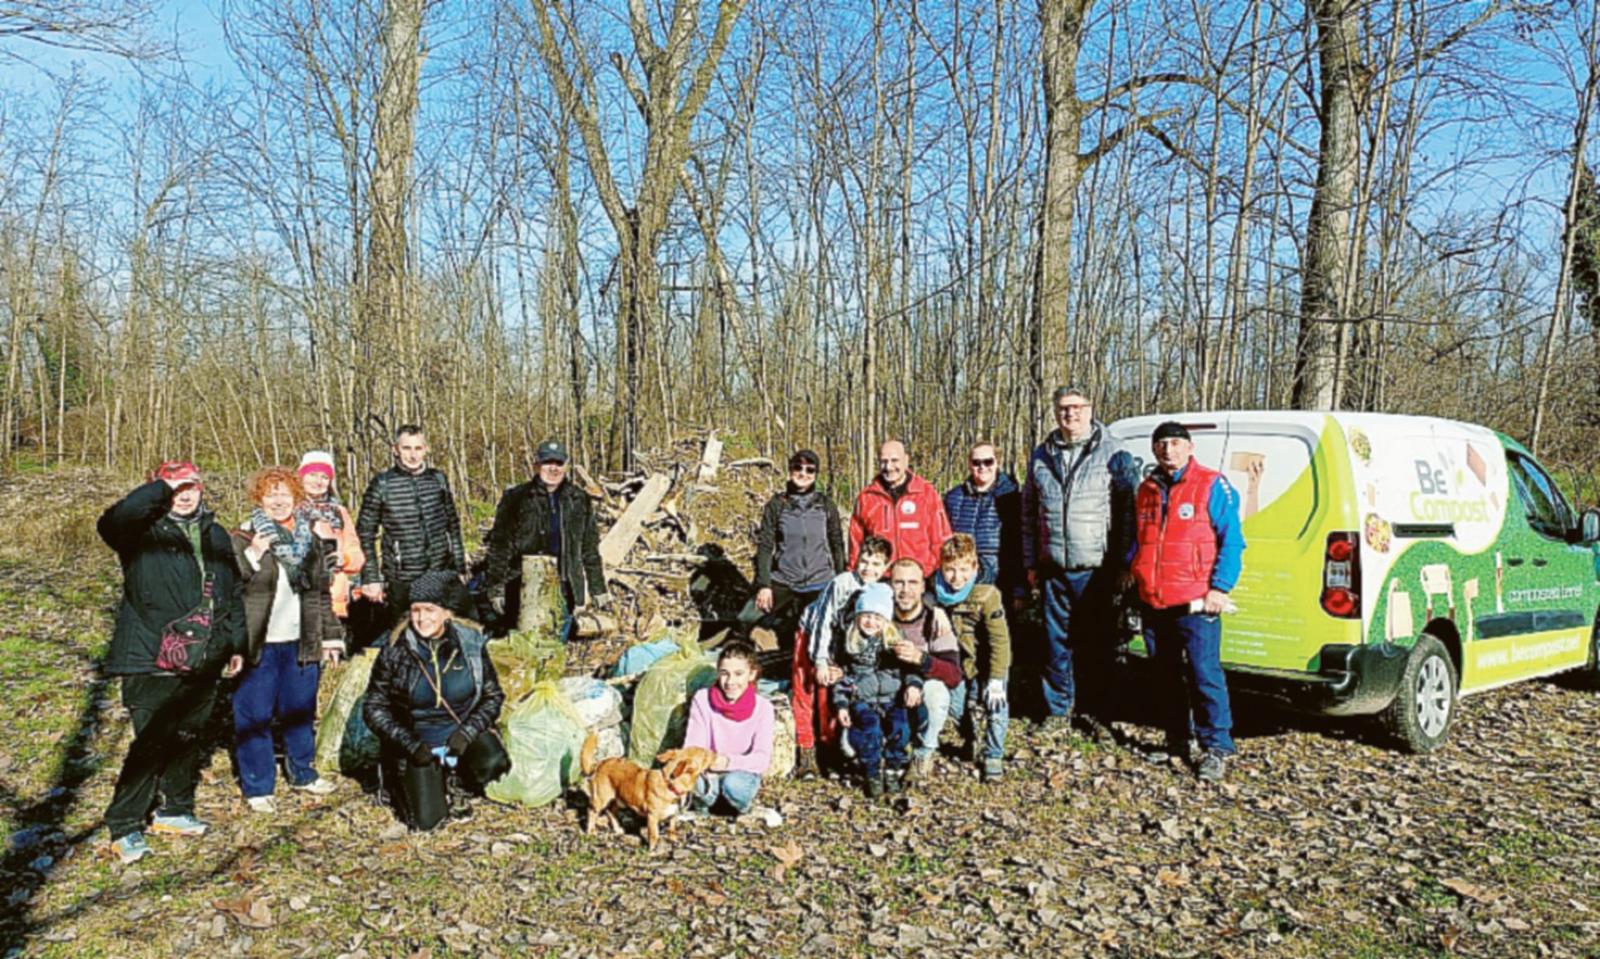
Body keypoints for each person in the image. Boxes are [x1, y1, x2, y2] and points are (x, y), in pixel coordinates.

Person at [96, 462, 245, 864]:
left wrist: (235, 644)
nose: (185, 493)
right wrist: (161, 488)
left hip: (205, 656)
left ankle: (175, 810)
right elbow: (112, 521)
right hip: (149, 655)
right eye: (176, 487)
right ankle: (125, 824)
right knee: (151, 742)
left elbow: (230, 595)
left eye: (191, 485)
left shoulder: (215, 533)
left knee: (187, 736)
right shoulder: (141, 533)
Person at [1130, 421, 1246, 782]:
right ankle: (1177, 740)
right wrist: (1132, 574)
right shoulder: (1146, 489)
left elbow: (1233, 542)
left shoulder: (1212, 484)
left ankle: (1217, 746)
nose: (1169, 450)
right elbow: (1141, 540)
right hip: (1154, 599)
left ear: (1190, 447)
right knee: (1165, 677)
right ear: (1154, 450)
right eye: (1162, 444)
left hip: (1197, 602)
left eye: (1176, 443)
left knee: (1204, 674)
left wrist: (1220, 588)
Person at [1022, 386, 1138, 730]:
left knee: (1097, 645)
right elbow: (1029, 512)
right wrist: (1031, 562)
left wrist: (1124, 563)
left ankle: (1096, 712)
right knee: (1055, 646)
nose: (1069, 414)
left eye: (1076, 407)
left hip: (1097, 569)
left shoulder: (1114, 452)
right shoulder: (1041, 455)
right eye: (1062, 408)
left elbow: (1128, 513)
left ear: (1090, 409)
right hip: (1053, 567)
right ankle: (1058, 711)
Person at [231, 467, 343, 814]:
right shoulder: (242, 536)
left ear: (296, 498)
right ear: (258, 500)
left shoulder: (310, 538)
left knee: (300, 711)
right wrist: (253, 558)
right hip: (259, 643)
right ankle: (258, 785)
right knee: (254, 715)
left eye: (284, 494)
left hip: (301, 639)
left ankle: (303, 773)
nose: (278, 501)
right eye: (270, 495)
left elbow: (320, 593)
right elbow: (229, 589)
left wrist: (331, 637)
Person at [363, 571, 511, 829]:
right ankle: (405, 780)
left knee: (494, 762)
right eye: (416, 610)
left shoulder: (470, 644)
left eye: (430, 610)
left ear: (446, 612)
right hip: (418, 742)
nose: (422, 618)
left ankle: (459, 782)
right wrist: (409, 744)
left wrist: (468, 733)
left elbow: (493, 696)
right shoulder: (395, 650)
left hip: (460, 735)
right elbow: (374, 707)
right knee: (428, 823)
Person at [480, 440, 610, 636]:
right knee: (524, 648)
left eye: (558, 463)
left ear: (566, 466)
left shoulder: (579, 500)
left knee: (556, 644)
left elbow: (589, 549)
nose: (553, 469)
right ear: (536, 465)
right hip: (522, 586)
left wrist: (598, 587)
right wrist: (496, 588)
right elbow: (500, 546)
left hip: (565, 587)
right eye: (547, 462)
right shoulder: (516, 498)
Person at [791, 535, 893, 778]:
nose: (869, 569)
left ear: (886, 566)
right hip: (813, 634)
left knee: (833, 694)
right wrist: (820, 660)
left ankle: (832, 749)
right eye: (864, 561)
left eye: (876, 564)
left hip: (845, 645)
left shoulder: (883, 590)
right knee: (806, 687)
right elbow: (823, 622)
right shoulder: (842, 583)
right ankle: (805, 748)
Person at [355, 425, 466, 634]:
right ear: (395, 449)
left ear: (426, 449)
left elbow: (453, 525)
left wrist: (459, 567)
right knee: (402, 637)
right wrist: (371, 577)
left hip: (439, 571)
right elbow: (364, 534)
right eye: (406, 448)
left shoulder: (438, 479)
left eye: (417, 448)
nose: (413, 455)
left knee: (447, 634)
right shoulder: (382, 484)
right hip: (402, 578)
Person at [929, 535, 1013, 782]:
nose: (957, 577)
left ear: (975, 567)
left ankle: (993, 754)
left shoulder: (987, 595)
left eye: (964, 570)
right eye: (950, 570)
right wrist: (933, 606)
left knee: (995, 706)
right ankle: (970, 738)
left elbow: (1000, 641)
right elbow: (920, 593)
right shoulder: (935, 588)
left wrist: (997, 678)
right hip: (959, 662)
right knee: (960, 705)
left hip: (989, 660)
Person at [830, 583, 926, 799]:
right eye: (866, 616)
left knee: (900, 728)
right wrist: (842, 704)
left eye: (877, 617)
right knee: (870, 730)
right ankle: (872, 772)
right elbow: (842, 677)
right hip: (862, 698)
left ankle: (893, 768)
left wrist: (913, 685)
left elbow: (911, 668)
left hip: (892, 697)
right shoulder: (849, 643)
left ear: (886, 620)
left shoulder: (895, 641)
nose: (871, 622)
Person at [743, 449, 846, 647]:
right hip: (785, 580)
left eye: (810, 470)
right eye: (798, 467)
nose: (803, 473)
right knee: (746, 618)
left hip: (819, 581)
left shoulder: (825, 505)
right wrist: (764, 585)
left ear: (816, 475)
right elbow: (765, 546)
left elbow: (836, 544)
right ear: (790, 470)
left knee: (822, 627)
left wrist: (841, 579)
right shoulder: (776, 505)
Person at [681, 641, 782, 826]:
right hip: (708, 771)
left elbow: (761, 758)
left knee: (734, 785)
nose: (730, 682)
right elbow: (692, 746)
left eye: (738, 674)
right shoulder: (703, 699)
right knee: (691, 778)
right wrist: (708, 763)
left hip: (739, 773)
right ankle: (701, 808)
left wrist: (728, 762)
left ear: (751, 674)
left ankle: (741, 808)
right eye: (724, 674)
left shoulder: (763, 708)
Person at [883, 559, 962, 784]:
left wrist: (922, 659)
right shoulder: (879, 616)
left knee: (937, 692)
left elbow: (954, 675)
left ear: (922, 587)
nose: (905, 590)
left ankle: (923, 754)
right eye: (899, 583)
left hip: (923, 692)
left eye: (912, 583)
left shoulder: (934, 621)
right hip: (888, 690)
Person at [847, 439, 952, 577]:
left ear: (906, 460)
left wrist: (932, 570)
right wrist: (853, 573)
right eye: (884, 461)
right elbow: (856, 543)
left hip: (920, 577)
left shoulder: (926, 493)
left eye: (894, 460)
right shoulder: (867, 498)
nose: (889, 467)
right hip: (880, 577)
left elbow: (941, 538)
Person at [943, 441, 1025, 608]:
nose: (982, 467)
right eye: (976, 462)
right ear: (969, 464)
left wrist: (1020, 589)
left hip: (1000, 581)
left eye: (988, 461)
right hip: (960, 581)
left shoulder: (1012, 499)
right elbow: (943, 542)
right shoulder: (953, 498)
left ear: (997, 463)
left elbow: (1020, 547)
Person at [296, 450, 365, 621]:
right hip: (297, 599)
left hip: (334, 599)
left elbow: (357, 555)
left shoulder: (339, 513)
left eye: (324, 477)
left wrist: (345, 559)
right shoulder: (289, 510)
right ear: (301, 477)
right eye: (312, 475)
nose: (318, 482)